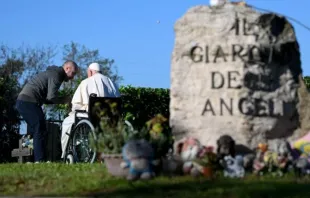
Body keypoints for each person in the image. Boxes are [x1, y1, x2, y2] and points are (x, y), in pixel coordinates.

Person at [15, 60, 78, 163]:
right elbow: (51, 97)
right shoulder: (57, 75)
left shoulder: (54, 74)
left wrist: (61, 99)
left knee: (34, 131)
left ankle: (28, 159)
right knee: (39, 128)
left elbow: (47, 99)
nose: (73, 77)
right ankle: (39, 160)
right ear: (67, 69)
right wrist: (65, 100)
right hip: (28, 101)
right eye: (73, 73)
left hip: (25, 102)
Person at [61, 62, 120, 159]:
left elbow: (76, 106)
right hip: (109, 118)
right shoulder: (111, 83)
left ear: (90, 71)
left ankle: (64, 154)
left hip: (90, 117)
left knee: (66, 122)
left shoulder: (86, 82)